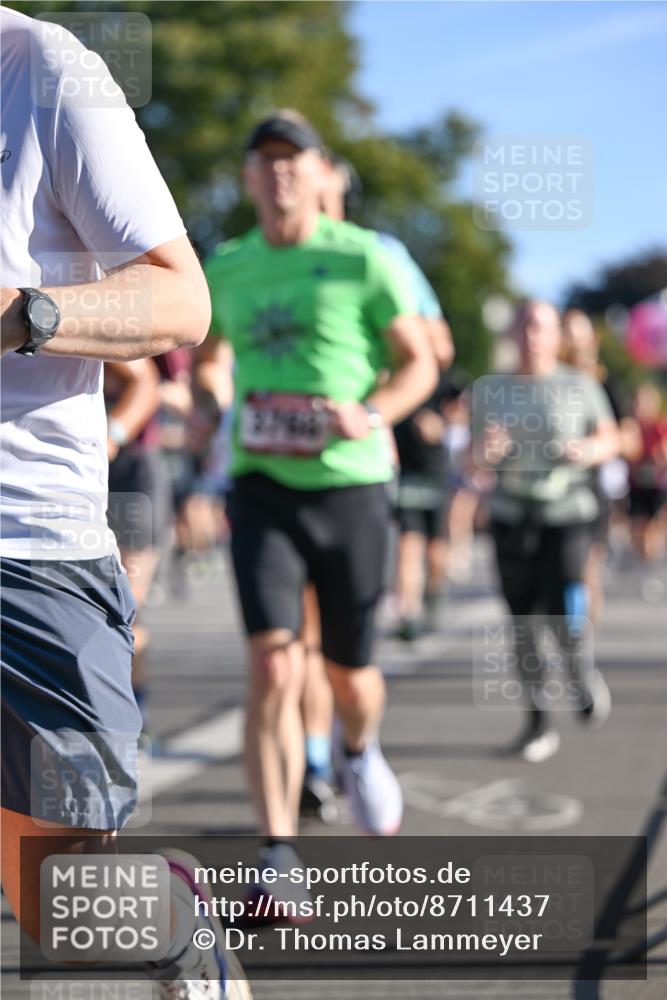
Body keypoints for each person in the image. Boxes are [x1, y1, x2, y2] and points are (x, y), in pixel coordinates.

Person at [0, 10, 249, 998]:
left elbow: (180, 302)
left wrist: (26, 313)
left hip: (29, 544)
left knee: (63, 896)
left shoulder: (49, 72)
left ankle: (181, 931)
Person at [203, 110, 436, 874]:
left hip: (351, 485)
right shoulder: (227, 264)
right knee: (272, 664)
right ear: (247, 177)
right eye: (263, 159)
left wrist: (367, 414)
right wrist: (212, 394)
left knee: (349, 675)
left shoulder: (364, 258)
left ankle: (358, 748)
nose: (278, 172)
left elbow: (419, 367)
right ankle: (276, 849)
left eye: (292, 160)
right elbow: (209, 357)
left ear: (319, 173)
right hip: (262, 482)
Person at [472, 300, 619, 762]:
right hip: (512, 515)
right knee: (523, 625)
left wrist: (587, 449)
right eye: (525, 327)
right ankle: (537, 724)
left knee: (561, 610)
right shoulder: (490, 390)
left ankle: (579, 668)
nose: (533, 336)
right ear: (512, 334)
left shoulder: (579, 385)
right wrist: (486, 452)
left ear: (558, 336)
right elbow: (471, 459)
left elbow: (613, 437)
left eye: (542, 328)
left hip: (567, 510)